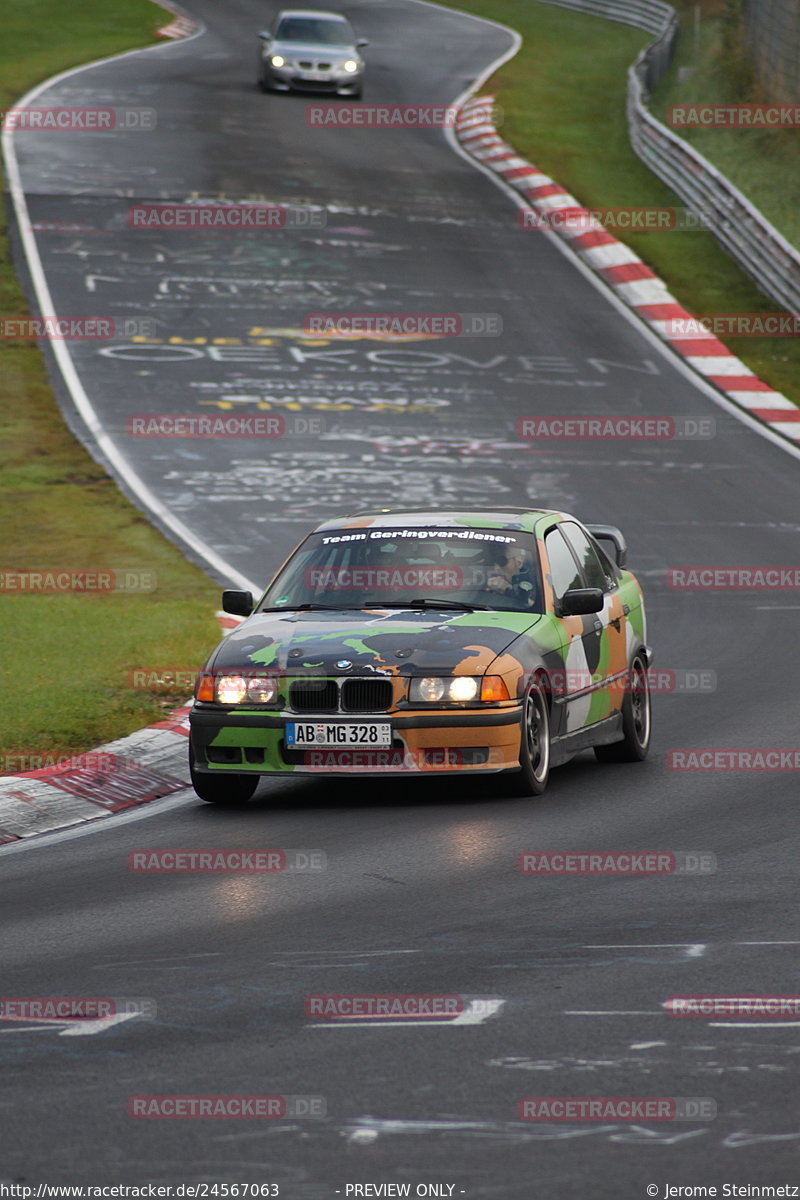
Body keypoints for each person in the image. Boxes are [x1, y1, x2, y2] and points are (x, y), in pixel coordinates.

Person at [486, 544, 538, 608]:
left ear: (519, 563)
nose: (496, 568)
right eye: (491, 563)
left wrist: (509, 590)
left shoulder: (538, 583)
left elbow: (537, 607)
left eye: (502, 561)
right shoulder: (481, 582)